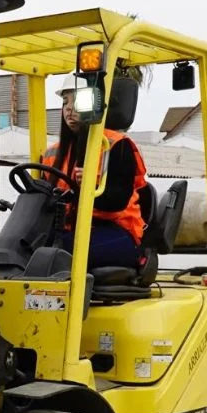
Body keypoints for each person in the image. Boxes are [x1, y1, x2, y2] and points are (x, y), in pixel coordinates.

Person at [42, 75, 149, 269]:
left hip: (117, 230)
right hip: (69, 230)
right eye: (65, 102)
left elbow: (117, 201)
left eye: (77, 101)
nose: (68, 108)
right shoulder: (53, 153)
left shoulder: (116, 145)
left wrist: (90, 187)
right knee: (27, 247)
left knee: (60, 255)